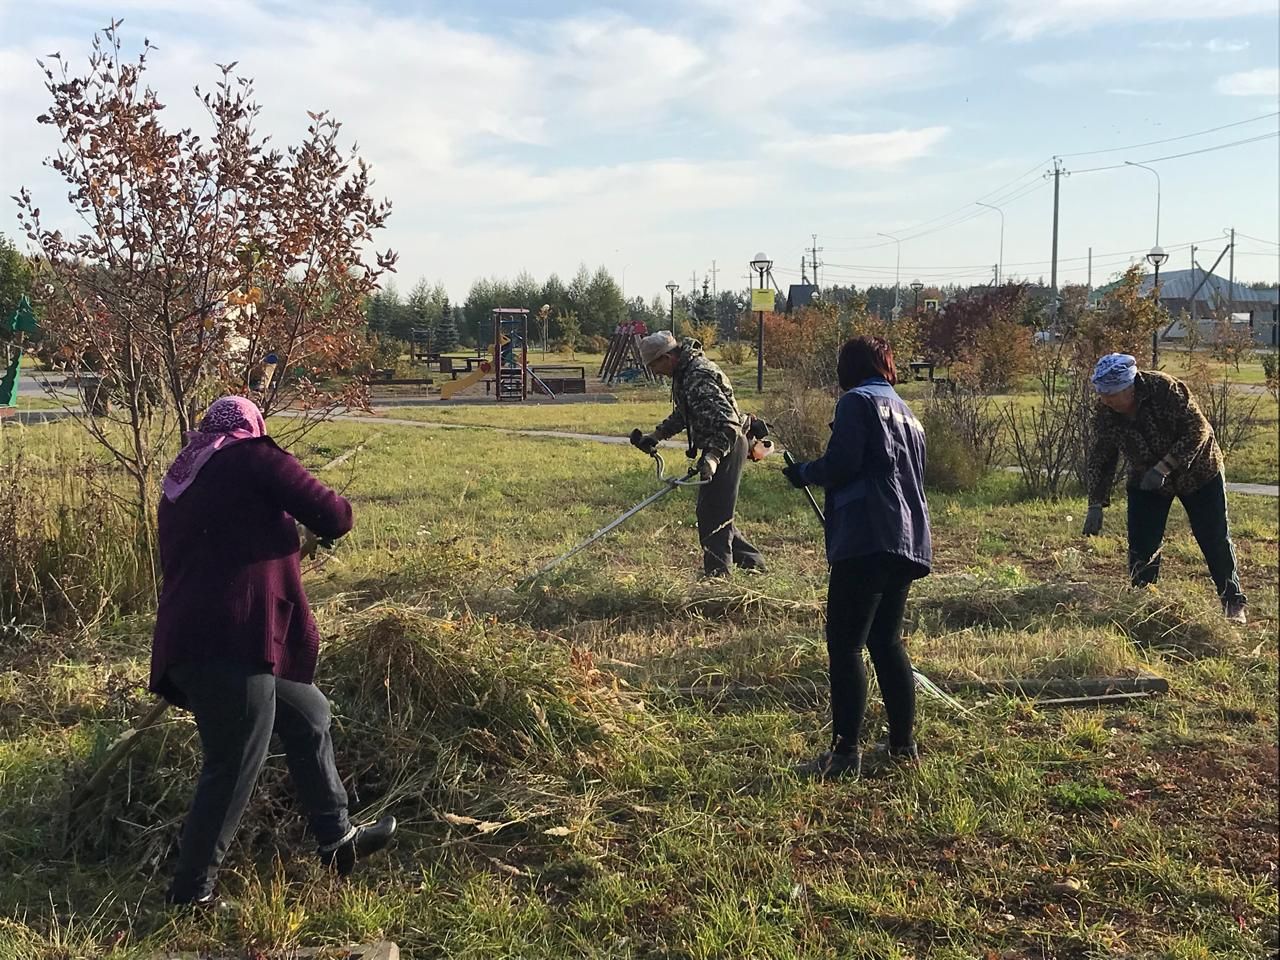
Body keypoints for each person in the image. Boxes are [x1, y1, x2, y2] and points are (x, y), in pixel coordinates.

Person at [151, 396, 396, 907]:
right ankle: (191, 895)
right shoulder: (255, 457)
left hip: (192, 641)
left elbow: (229, 538)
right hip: (229, 643)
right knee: (233, 763)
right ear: (252, 425)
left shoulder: (187, 474)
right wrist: (310, 525)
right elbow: (335, 516)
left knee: (309, 713)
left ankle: (338, 841)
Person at [781, 337, 931, 779]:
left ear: (848, 368)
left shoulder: (855, 402)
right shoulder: (908, 413)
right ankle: (903, 745)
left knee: (845, 645)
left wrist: (804, 472)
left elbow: (843, 463)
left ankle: (845, 753)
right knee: (886, 642)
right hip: (907, 540)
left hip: (867, 536)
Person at [1082, 353, 1247, 624]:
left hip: (1198, 471)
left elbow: (1198, 430)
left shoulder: (1165, 389)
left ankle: (1233, 601)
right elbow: (1102, 457)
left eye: (1111, 395)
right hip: (1145, 477)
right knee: (1142, 543)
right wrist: (1095, 503)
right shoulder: (1105, 413)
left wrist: (1164, 467)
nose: (1106, 401)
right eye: (1102, 395)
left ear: (1129, 387)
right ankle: (1143, 602)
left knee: (1213, 537)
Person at [632, 330, 766, 578]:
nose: (655, 372)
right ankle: (754, 566)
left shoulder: (697, 376)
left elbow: (729, 424)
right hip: (719, 445)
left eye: (654, 366)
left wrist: (713, 457)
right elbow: (685, 413)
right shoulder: (684, 374)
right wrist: (656, 436)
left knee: (715, 518)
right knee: (711, 513)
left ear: (667, 358)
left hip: (728, 445)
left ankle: (718, 580)